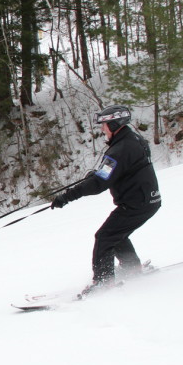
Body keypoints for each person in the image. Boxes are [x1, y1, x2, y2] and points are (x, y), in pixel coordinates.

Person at [50, 105, 162, 296]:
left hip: (137, 203)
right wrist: (98, 175)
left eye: (104, 125)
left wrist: (67, 196)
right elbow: (120, 171)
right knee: (116, 233)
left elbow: (100, 183)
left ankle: (103, 281)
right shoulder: (134, 140)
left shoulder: (119, 150)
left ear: (114, 123)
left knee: (105, 237)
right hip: (146, 200)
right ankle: (131, 267)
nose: (102, 129)